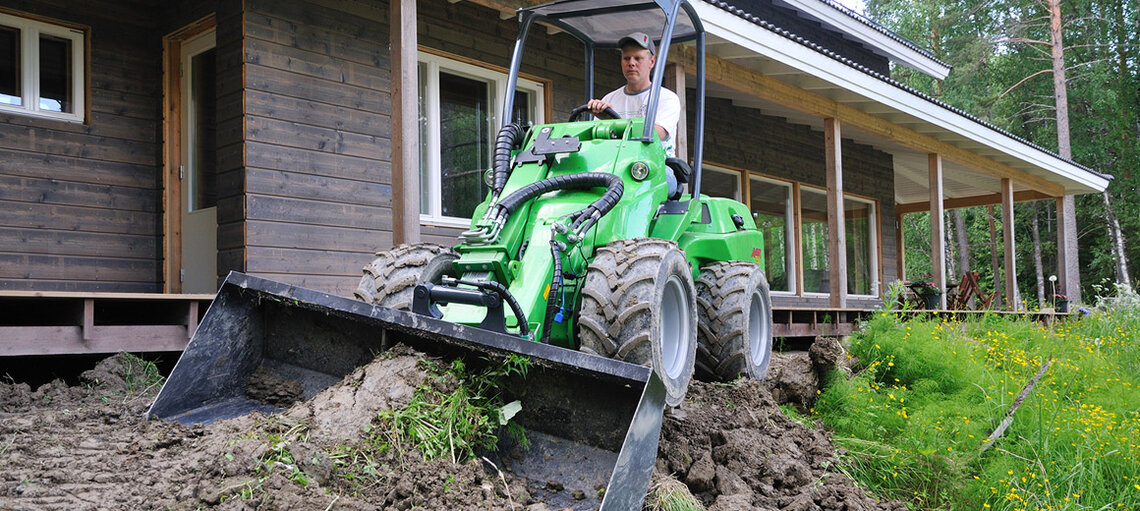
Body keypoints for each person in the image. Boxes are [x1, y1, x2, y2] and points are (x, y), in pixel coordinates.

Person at [586, 32, 682, 159]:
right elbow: (597, 141)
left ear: (652, 62)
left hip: (657, 166)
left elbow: (654, 134)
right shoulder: (609, 99)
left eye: (637, 58)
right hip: (617, 164)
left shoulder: (667, 98)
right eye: (626, 58)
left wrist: (611, 123)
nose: (631, 63)